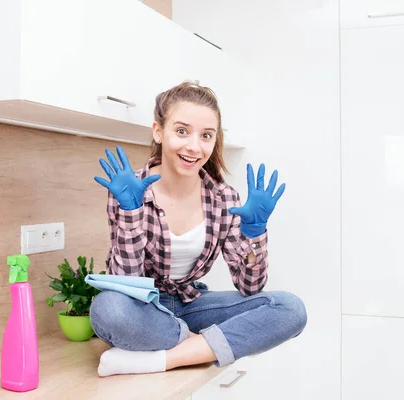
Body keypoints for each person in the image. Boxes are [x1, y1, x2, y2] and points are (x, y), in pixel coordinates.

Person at [90, 81, 307, 377]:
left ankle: (163, 358)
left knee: (289, 309)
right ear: (158, 132)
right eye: (182, 131)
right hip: (144, 310)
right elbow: (126, 282)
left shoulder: (223, 197)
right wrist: (131, 213)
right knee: (108, 309)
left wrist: (255, 234)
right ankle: (203, 346)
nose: (194, 146)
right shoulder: (129, 188)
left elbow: (250, 288)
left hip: (193, 305)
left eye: (206, 135)